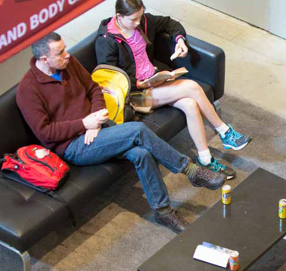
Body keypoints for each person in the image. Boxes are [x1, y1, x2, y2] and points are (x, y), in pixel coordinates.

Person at [16, 32, 225, 234]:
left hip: (96, 127)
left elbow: (94, 89)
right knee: (139, 131)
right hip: (73, 145)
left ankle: (163, 211)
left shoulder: (68, 64)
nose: (67, 55)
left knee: (141, 154)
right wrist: (84, 124)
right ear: (44, 58)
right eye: (60, 52)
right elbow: (45, 133)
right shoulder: (28, 90)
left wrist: (95, 121)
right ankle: (190, 171)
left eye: (65, 49)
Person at [95, 0, 250, 180]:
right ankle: (225, 132)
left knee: (190, 105)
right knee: (191, 88)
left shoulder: (144, 22)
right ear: (119, 16)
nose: (137, 23)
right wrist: (138, 83)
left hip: (155, 83)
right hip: (134, 95)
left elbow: (170, 23)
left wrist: (180, 41)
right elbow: (111, 78)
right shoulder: (106, 41)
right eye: (133, 19)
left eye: (140, 17)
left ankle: (205, 159)